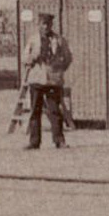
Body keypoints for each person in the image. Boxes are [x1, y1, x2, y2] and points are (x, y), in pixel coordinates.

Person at [22, 19, 72, 149]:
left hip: (52, 80)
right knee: (35, 111)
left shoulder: (59, 40)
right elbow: (25, 58)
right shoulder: (33, 40)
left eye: (48, 24)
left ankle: (59, 140)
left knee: (55, 110)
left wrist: (59, 69)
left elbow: (68, 57)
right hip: (37, 79)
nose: (46, 27)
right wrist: (33, 56)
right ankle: (34, 142)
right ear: (39, 25)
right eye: (43, 24)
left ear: (51, 25)